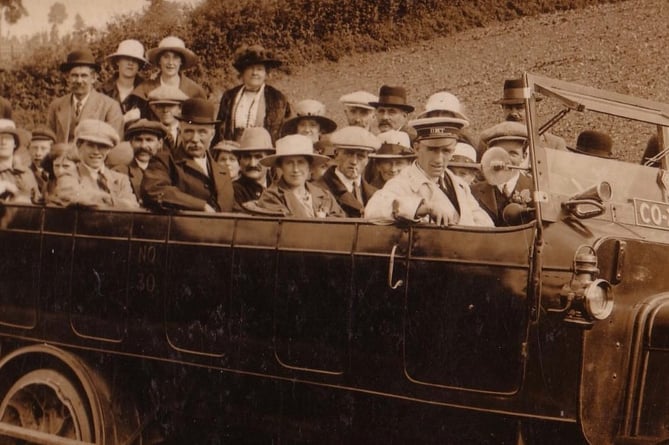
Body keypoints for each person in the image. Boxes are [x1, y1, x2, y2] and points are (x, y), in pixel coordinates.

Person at [365, 117, 493, 227]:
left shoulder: (459, 185)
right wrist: (423, 207)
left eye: (446, 151)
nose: (438, 159)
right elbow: (372, 211)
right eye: (432, 150)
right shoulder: (402, 183)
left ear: (453, 150)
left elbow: (485, 224)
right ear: (416, 148)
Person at [141, 98, 234, 212]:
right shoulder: (164, 161)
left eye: (202, 132)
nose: (195, 139)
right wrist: (201, 206)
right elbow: (154, 189)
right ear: (180, 132)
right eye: (189, 131)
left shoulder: (222, 171)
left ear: (212, 134)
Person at [243, 134, 344, 218]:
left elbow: (341, 225)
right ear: (281, 167)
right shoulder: (271, 197)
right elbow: (290, 229)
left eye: (300, 162)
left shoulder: (324, 195)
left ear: (309, 166)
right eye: (289, 163)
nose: (295, 169)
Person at [52, 119, 139, 209]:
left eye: (103, 146)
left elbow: (132, 206)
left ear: (109, 149)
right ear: (79, 145)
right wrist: (112, 200)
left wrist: (95, 199)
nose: (96, 152)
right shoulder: (69, 174)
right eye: (90, 145)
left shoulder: (120, 179)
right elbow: (71, 196)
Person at [215, 44, 290, 143]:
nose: (255, 73)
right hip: (232, 150)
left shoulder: (278, 98)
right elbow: (219, 129)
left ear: (266, 74)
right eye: (250, 68)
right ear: (242, 72)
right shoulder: (229, 96)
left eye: (259, 69)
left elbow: (285, 130)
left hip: (263, 150)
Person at [47, 48, 124, 143]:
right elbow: (49, 141)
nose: (79, 81)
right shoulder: (56, 106)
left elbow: (114, 143)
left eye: (84, 76)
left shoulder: (110, 107)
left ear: (93, 78)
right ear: (68, 78)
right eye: (74, 75)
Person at [471, 121, 534, 226]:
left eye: (513, 153)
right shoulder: (472, 192)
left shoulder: (537, 190)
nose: (506, 160)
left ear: (524, 156)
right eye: (500, 152)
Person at [131, 36, 206, 118]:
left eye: (175, 57)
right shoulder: (144, 89)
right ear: (159, 60)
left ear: (181, 61)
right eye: (166, 57)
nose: (170, 62)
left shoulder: (195, 91)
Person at [315, 126, 380, 217]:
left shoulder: (376, 194)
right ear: (336, 155)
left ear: (367, 160)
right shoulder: (318, 190)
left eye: (361, 156)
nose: (354, 161)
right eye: (348, 154)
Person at [494, 77, 566, 151]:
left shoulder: (555, 145)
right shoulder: (492, 142)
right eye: (508, 107)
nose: (513, 113)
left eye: (519, 108)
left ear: (532, 109)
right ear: (502, 108)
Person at [113, 119, 167, 202]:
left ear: (160, 143)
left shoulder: (169, 172)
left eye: (149, 140)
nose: (143, 146)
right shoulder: (119, 172)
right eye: (138, 140)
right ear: (131, 143)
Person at [101, 39, 148, 124]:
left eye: (135, 59)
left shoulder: (147, 92)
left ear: (139, 65)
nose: (131, 63)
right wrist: (124, 119)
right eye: (126, 58)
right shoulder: (102, 91)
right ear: (118, 61)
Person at [230, 127, 276, 205]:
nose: (252, 163)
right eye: (247, 157)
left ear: (270, 163)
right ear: (239, 161)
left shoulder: (280, 189)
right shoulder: (233, 191)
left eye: (258, 157)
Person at [0, 119, 39, 203]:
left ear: (15, 144)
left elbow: (38, 203)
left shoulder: (26, 172)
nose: (3, 142)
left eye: (8, 138)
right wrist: (4, 186)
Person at [146, 85, 189, 152]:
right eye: (160, 106)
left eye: (170, 106)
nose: (165, 110)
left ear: (180, 108)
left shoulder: (188, 130)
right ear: (155, 109)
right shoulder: (150, 132)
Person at [27, 126, 57, 196]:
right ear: (29, 149)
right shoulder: (25, 174)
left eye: (43, 148)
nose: (38, 153)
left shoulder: (58, 173)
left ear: (52, 151)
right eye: (34, 148)